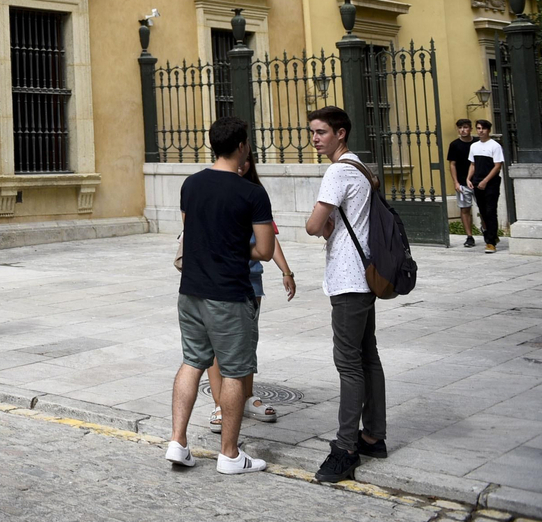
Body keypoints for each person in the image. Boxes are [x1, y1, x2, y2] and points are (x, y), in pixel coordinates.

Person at [164, 116, 274, 476]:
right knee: (235, 372)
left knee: (191, 362)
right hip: (229, 294)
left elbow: (189, 229)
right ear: (242, 146)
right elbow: (265, 250)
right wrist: (237, 247)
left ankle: (178, 442)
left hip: (191, 291)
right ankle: (229, 454)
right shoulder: (252, 193)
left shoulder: (191, 185)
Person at [305, 106, 388, 484]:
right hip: (365, 277)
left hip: (348, 280)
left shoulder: (338, 170)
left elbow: (313, 224)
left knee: (349, 364)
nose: (315, 139)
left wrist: (322, 226)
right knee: (367, 356)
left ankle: (346, 448)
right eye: (312, 132)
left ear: (341, 133)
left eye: (321, 132)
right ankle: (373, 435)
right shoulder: (360, 166)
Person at [207, 153, 295, 432]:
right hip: (218, 279)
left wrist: (286, 271)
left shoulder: (255, 194)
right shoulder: (211, 188)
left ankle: (245, 396)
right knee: (216, 345)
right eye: (238, 159)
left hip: (251, 279)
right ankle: (221, 404)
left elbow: (269, 238)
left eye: (246, 161)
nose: (241, 165)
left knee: (247, 342)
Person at [469, 119, 505, 254]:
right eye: (478, 128)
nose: (480, 131)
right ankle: (492, 235)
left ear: (488, 130)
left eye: (483, 128)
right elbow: (472, 164)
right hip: (477, 182)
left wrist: (486, 180)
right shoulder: (474, 146)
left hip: (491, 183)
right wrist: (468, 178)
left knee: (490, 211)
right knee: (483, 211)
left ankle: (490, 242)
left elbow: (497, 166)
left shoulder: (495, 146)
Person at [446, 119, 476, 248]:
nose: (462, 130)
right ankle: (469, 236)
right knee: (465, 209)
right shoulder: (454, 145)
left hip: (478, 181)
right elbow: (452, 164)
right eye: (460, 128)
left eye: (465, 127)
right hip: (463, 183)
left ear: (470, 129)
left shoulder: (477, 143)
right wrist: (456, 182)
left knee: (485, 209)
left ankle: (487, 232)